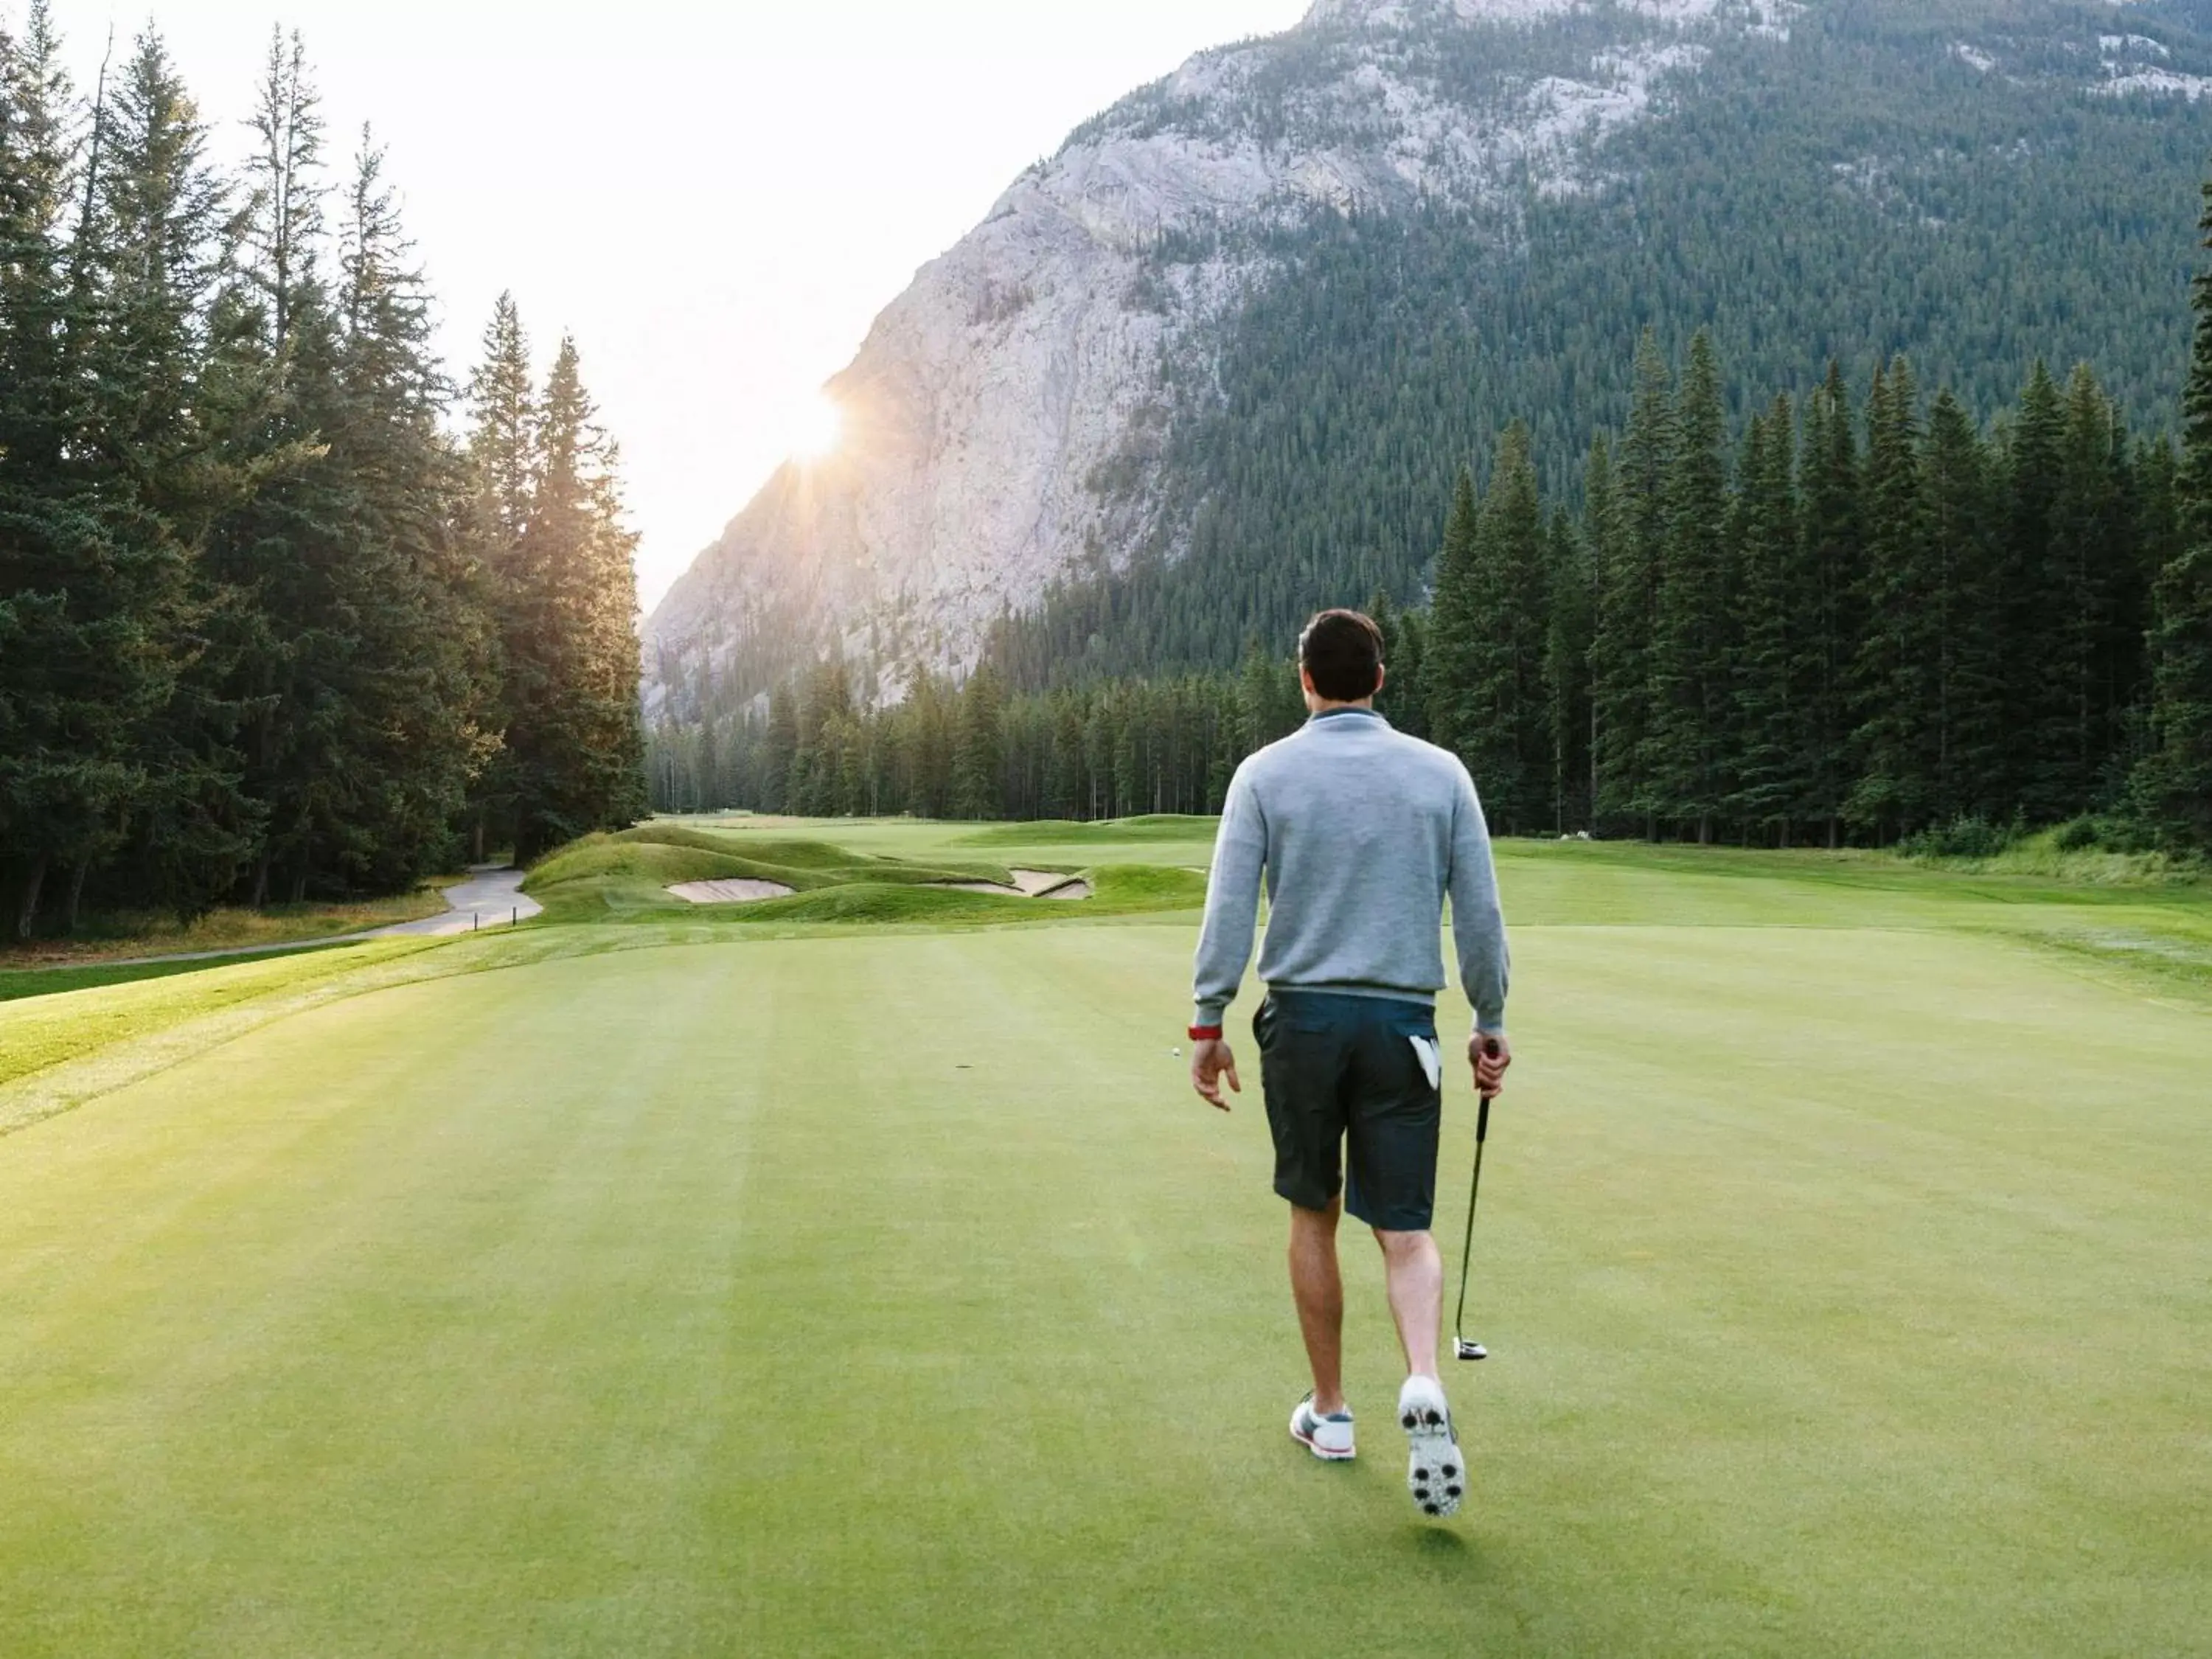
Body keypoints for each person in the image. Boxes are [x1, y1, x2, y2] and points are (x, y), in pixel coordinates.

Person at [1188, 608, 1511, 1520]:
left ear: (1305, 681)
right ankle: (1422, 1377)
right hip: (1404, 1022)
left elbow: (1229, 910)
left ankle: (1330, 1413)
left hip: (1303, 1024)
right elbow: (1478, 914)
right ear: (1381, 677)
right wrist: (1489, 1016)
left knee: (1313, 1213)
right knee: (1404, 1230)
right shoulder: (1441, 773)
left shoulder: (1263, 774)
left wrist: (1207, 1019)